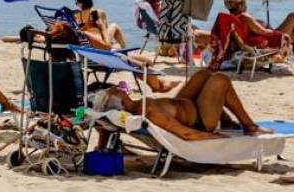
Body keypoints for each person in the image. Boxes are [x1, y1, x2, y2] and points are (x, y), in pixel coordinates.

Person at [96, 70, 266, 139]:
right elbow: (185, 133)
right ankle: (249, 125)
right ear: (118, 102)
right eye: (114, 90)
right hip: (201, 120)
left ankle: (227, 120)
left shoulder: (137, 106)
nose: (116, 87)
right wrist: (214, 137)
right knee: (220, 80)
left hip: (187, 105)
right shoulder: (146, 111)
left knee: (204, 74)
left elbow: (104, 124)